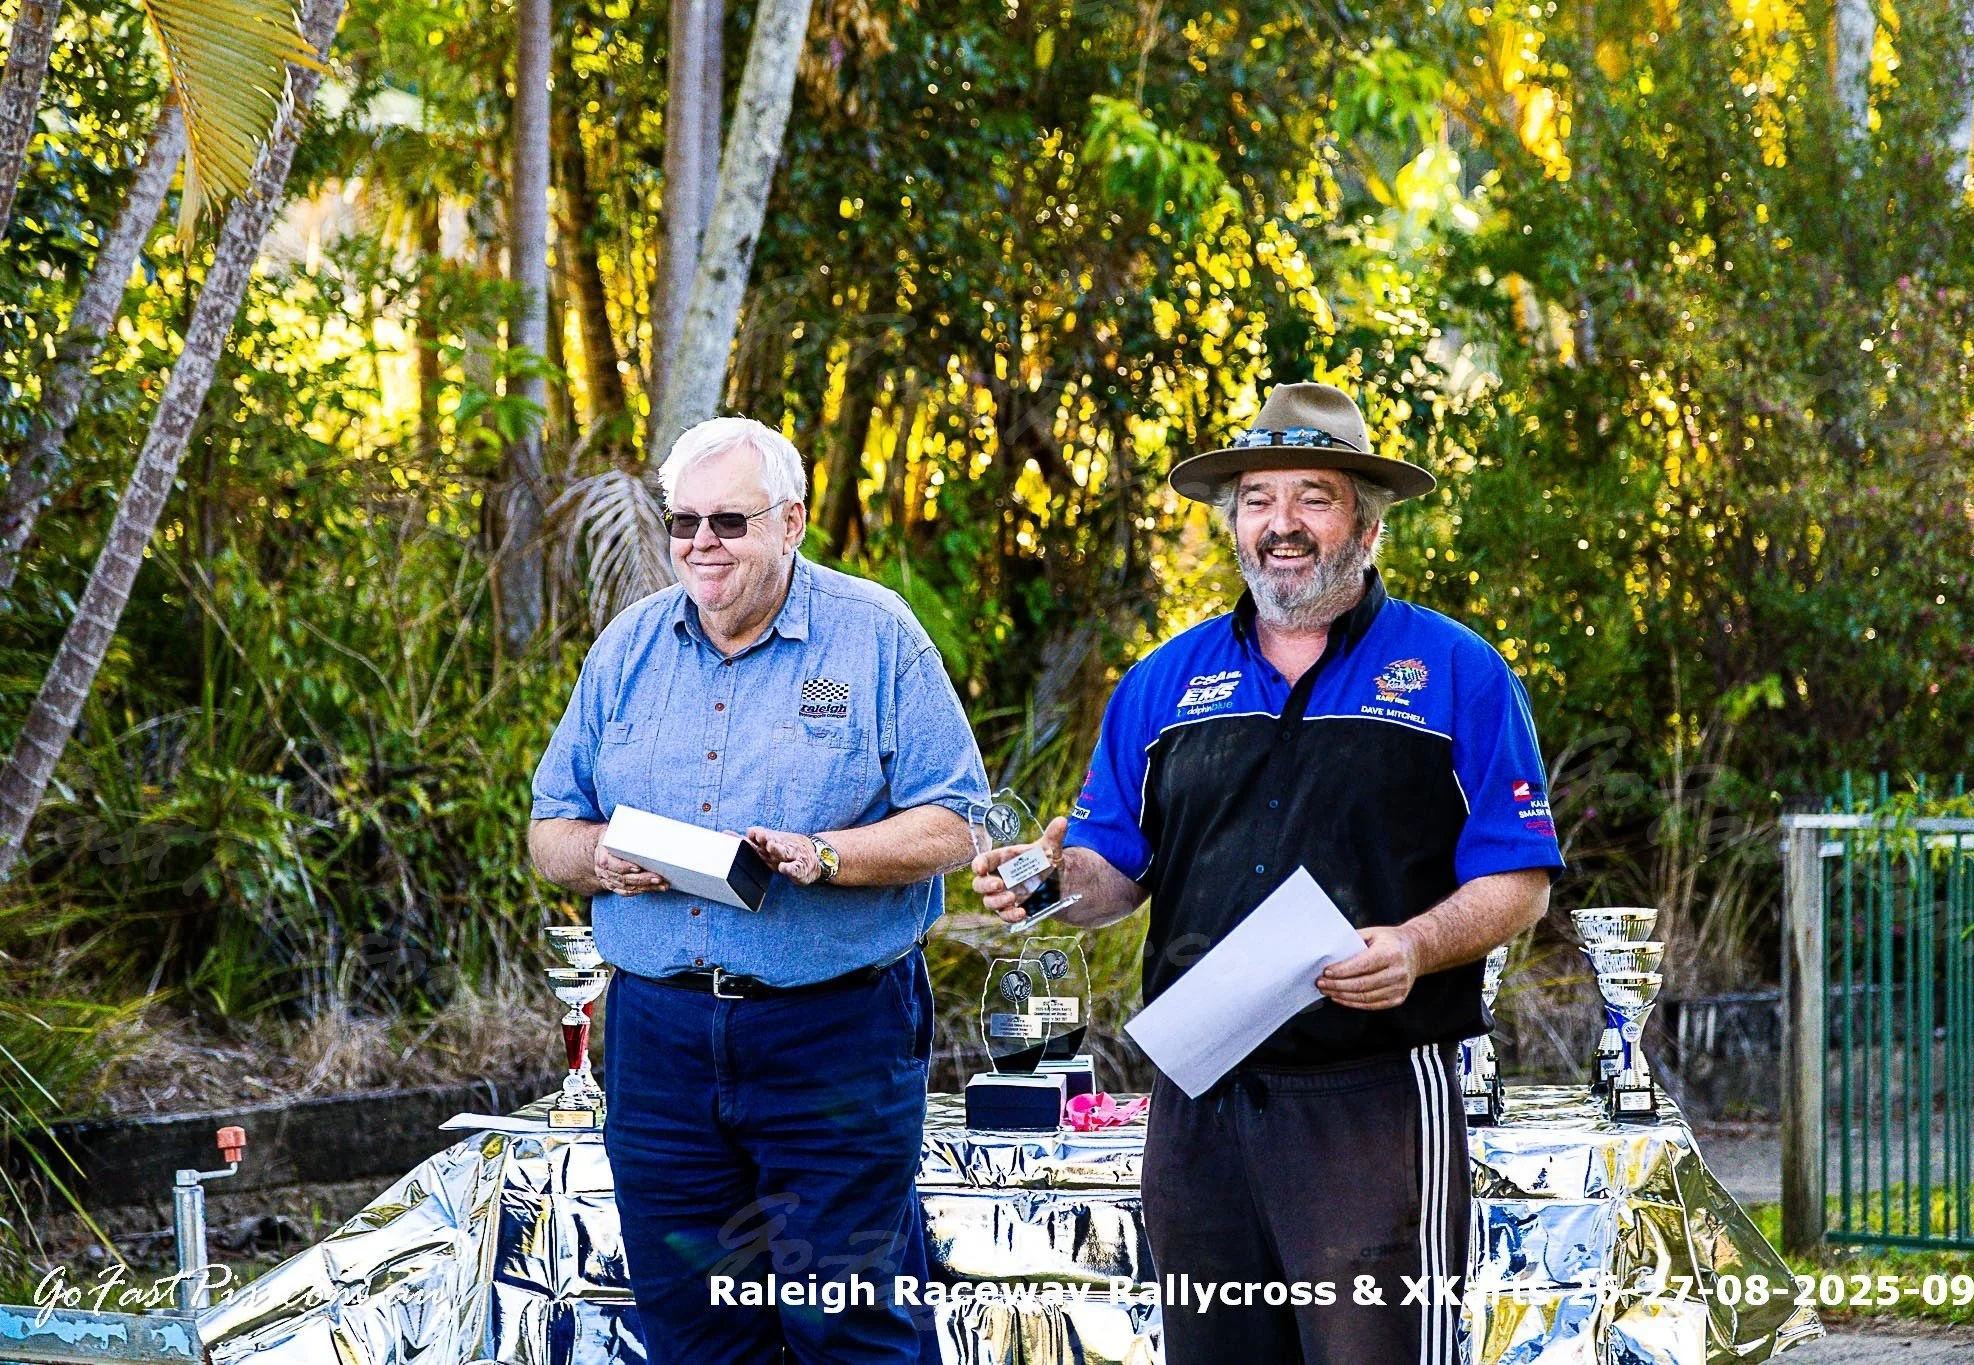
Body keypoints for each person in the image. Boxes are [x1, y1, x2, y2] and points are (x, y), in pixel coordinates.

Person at [973, 382, 1563, 1363]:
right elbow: (1111, 873)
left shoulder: (1458, 672)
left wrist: (1415, 946)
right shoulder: (1161, 683)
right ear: (1233, 524)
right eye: (1257, 499)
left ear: (1366, 524)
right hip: (1197, 1102)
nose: (1281, 523)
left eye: (1312, 496)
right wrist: (1045, 878)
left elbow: (1521, 878)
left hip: (1370, 1101)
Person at [530, 417, 987, 1364]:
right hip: (659, 1043)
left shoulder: (876, 636)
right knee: (694, 1333)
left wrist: (828, 855)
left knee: (848, 1326)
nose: (702, 543)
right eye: (684, 521)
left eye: (729, 521)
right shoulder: (627, 648)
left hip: (835, 1037)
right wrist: (600, 858)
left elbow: (958, 821)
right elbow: (549, 830)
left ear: (792, 522)